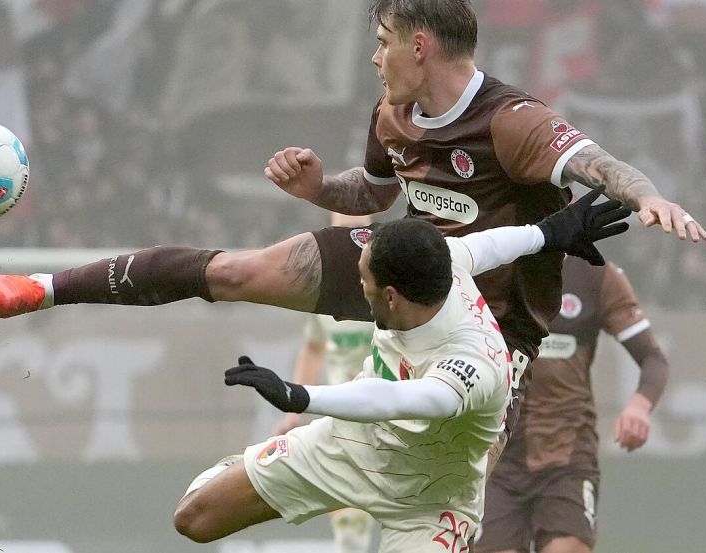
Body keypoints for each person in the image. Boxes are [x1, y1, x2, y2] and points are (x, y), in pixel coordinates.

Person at [0, 0, 706, 411]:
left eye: (382, 43)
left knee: (433, 486)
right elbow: (376, 195)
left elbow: (591, 162)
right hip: (401, 270)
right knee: (234, 272)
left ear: (420, 46)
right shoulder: (391, 115)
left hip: (488, 328)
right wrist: (318, 191)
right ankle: (42, 288)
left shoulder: (509, 119)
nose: (372, 57)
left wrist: (647, 196)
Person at [173, 192, 630, 552]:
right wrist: (550, 232)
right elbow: (494, 244)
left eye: (364, 280)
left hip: (432, 500)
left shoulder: (477, 362)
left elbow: (398, 399)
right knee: (194, 519)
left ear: (391, 295)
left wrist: (300, 397)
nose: (357, 286)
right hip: (353, 448)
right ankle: (250, 466)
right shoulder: (444, 262)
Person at [474, 255, 669, 553]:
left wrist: (638, 408)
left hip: (566, 456)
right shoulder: (489, 263)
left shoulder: (596, 275)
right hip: (494, 455)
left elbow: (653, 358)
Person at [272, 212, 378, 553]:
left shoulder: (391, 282)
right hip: (344, 416)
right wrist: (294, 411)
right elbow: (314, 348)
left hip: (393, 412)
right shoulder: (323, 291)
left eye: (357, 233)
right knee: (350, 526)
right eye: (342, 232)